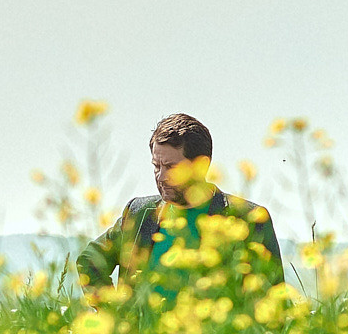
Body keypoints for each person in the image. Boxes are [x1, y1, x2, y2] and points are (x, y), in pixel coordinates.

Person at [75, 114, 283, 296]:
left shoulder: (246, 218)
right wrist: (113, 315)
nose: (161, 176)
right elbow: (89, 261)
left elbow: (273, 298)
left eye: (171, 167)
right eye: (156, 166)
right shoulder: (139, 214)